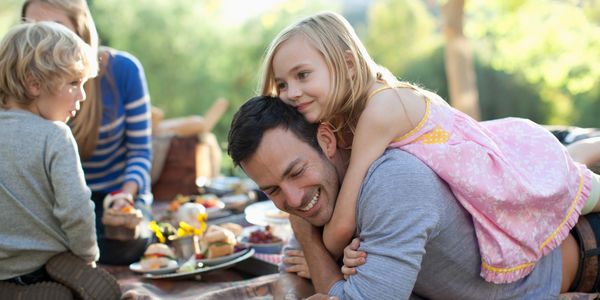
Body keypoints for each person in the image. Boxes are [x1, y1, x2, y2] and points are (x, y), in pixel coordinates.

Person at [259, 11, 600, 283]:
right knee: (568, 161)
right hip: (481, 160)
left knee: (577, 192)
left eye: (303, 75)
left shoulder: (379, 112)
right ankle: (587, 147)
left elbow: (344, 222)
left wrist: (316, 250)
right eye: (283, 83)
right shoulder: (344, 116)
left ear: (348, 64)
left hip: (497, 175)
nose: (291, 93)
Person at [227, 95, 599, 299]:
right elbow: (290, 278)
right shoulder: (316, 194)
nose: (292, 198)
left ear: (327, 141)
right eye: (273, 190)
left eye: (295, 172)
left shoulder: (391, 182)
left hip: (586, 252)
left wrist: (309, 240)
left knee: (571, 162)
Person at [22, 0, 153, 264]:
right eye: (33, 28)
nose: (42, 42)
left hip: (116, 194)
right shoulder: (26, 84)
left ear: (80, 29)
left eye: (55, 27)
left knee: (126, 244)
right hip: (59, 203)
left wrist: (124, 197)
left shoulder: (123, 71)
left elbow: (140, 151)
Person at [0, 21, 120, 299]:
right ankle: (65, 283)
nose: (82, 96)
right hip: (46, 263)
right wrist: (86, 257)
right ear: (34, 84)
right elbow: (76, 209)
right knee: (84, 287)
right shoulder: (54, 136)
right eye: (74, 83)